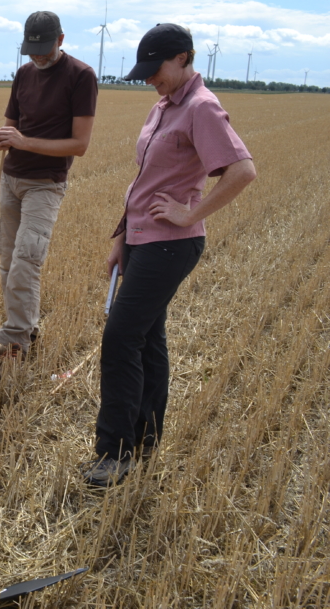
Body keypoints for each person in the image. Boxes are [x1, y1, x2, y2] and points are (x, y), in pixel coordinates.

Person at [83, 24, 256, 487]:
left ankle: (114, 453)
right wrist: (122, 238)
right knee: (147, 337)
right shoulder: (163, 106)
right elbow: (143, 182)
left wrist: (190, 213)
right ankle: (146, 436)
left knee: (120, 337)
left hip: (171, 244)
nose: (146, 79)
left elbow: (242, 170)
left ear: (183, 58)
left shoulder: (201, 107)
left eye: (153, 69)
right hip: (142, 239)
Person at [0, 11, 97, 360]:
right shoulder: (23, 74)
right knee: (9, 262)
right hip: (12, 179)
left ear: (61, 40)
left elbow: (79, 145)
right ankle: (27, 327)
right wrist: (7, 137)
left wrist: (23, 142)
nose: (37, 55)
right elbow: (12, 123)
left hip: (46, 184)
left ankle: (14, 339)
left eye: (44, 48)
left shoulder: (81, 76)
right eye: (31, 48)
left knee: (27, 259)